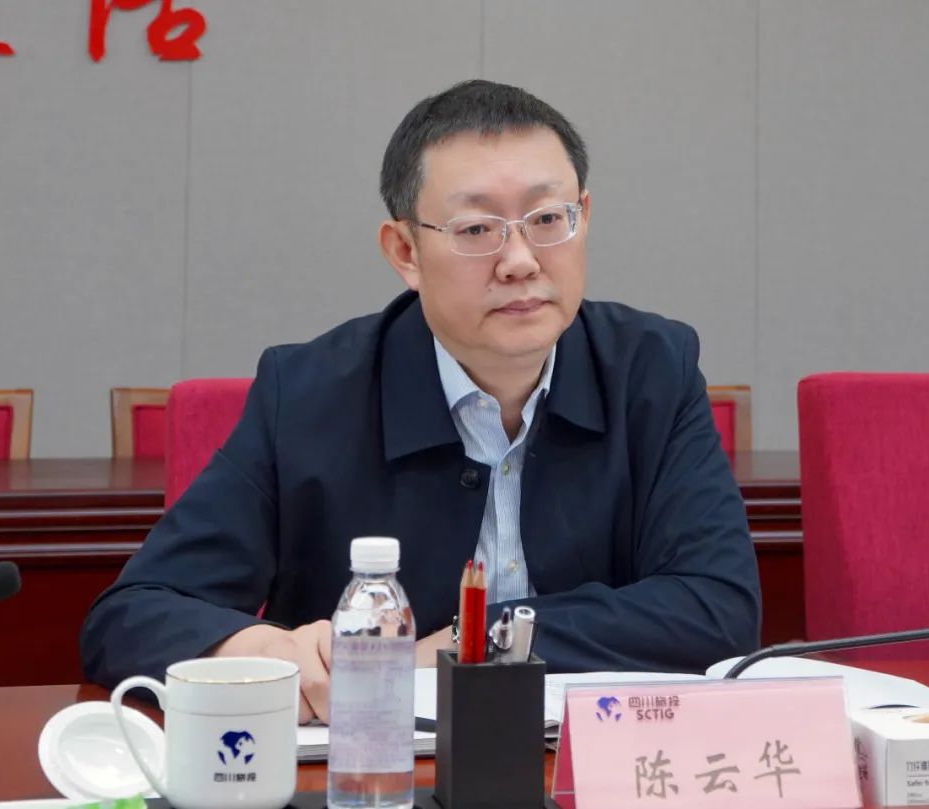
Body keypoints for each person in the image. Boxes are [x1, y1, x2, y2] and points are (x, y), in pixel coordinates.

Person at [80, 79, 761, 722]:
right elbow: (130, 614)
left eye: (548, 219)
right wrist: (257, 650)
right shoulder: (308, 393)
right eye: (476, 229)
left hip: (586, 765)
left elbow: (718, 607)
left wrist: (474, 642)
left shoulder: (652, 369)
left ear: (584, 218)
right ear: (405, 250)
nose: (521, 260)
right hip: (378, 770)